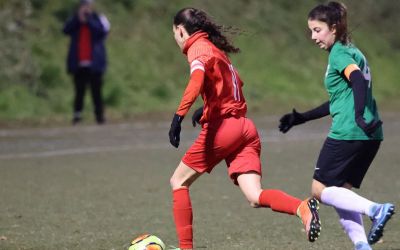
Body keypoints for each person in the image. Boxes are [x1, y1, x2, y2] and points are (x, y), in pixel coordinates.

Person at [168, 8, 321, 250]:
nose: (175, 39)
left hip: (224, 130)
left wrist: (179, 116)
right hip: (245, 129)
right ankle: (302, 208)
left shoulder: (197, 48)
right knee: (255, 196)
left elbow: (196, 80)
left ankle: (185, 248)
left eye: (174, 34)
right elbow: (233, 84)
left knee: (178, 182)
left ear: (180, 30)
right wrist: (207, 109)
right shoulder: (215, 50)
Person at [278, 2, 395, 250]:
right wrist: (302, 118)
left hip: (349, 131)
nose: (313, 37)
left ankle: (375, 210)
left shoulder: (339, 54)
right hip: (370, 135)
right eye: (311, 31)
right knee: (343, 194)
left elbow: (357, 81)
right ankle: (362, 246)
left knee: (320, 190)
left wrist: (359, 116)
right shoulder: (353, 51)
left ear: (333, 28)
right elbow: (341, 98)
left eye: (317, 30)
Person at [63, 0, 110, 125]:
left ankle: (99, 116)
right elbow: (65, 30)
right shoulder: (75, 20)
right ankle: (77, 116)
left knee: (97, 92)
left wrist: (88, 20)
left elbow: (103, 32)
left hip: (95, 64)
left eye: (87, 5)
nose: (85, 8)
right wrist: (78, 19)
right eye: (83, 5)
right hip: (79, 63)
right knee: (79, 91)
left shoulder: (98, 18)